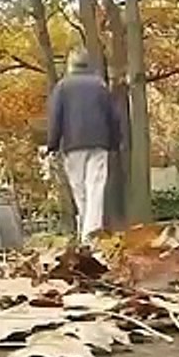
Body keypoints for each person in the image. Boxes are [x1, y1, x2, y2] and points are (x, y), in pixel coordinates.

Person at [45, 48, 122, 241]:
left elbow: (55, 118)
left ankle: (88, 233)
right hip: (99, 143)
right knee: (95, 187)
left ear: (70, 65)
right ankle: (90, 232)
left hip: (73, 145)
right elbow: (114, 117)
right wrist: (115, 143)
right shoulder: (100, 86)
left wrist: (52, 145)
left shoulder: (62, 87)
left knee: (80, 190)